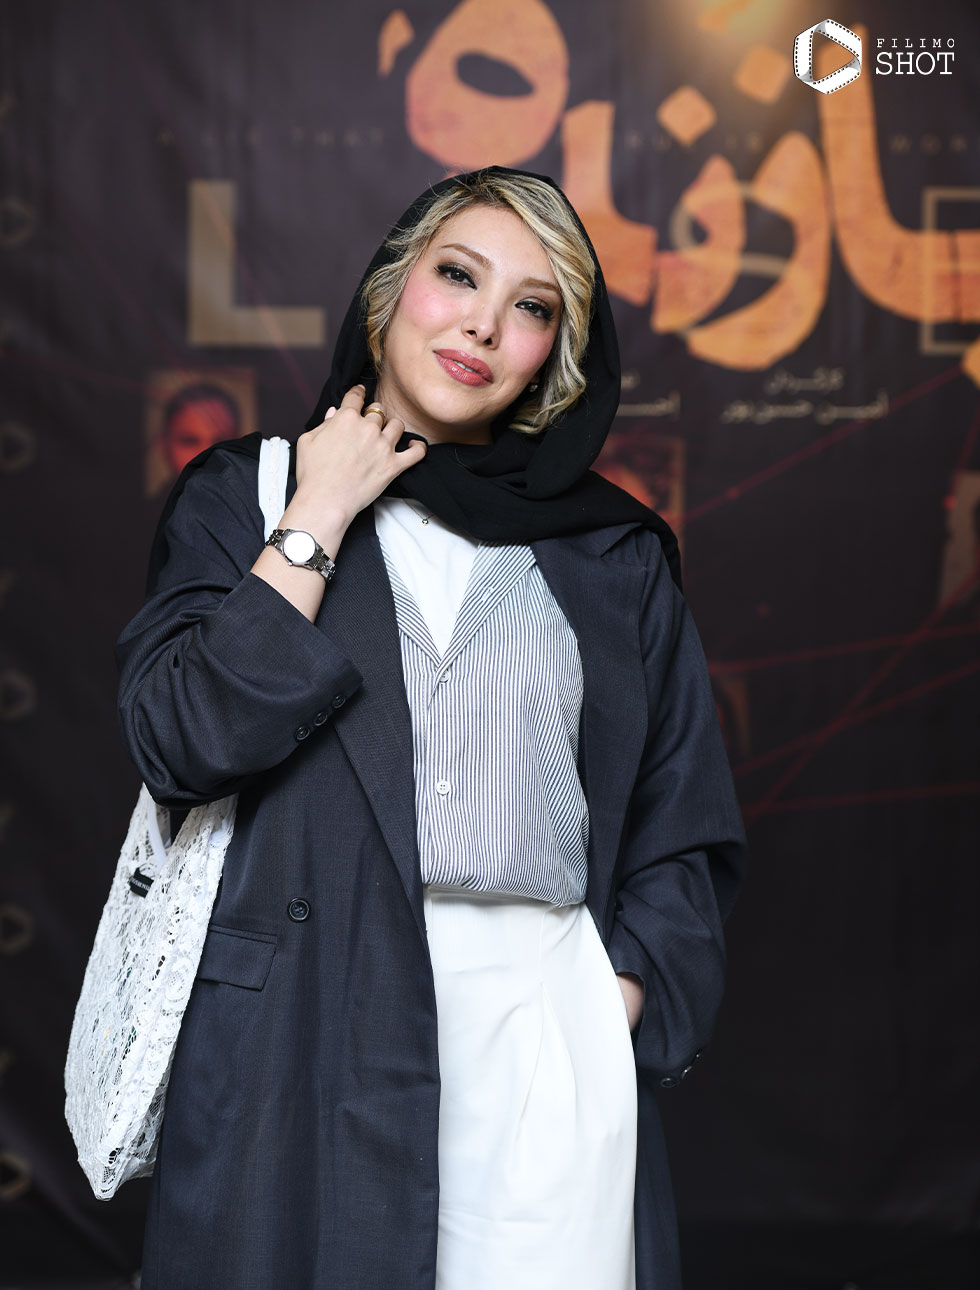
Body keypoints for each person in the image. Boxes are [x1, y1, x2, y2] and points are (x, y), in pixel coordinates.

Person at [116, 165, 747, 1290]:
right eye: (457, 275)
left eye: (530, 306)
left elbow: (680, 819)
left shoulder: (612, 552)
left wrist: (611, 1006)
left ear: (553, 355)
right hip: (303, 1027)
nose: (483, 324)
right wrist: (321, 507)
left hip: (542, 1032)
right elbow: (184, 740)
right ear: (389, 291)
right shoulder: (247, 496)